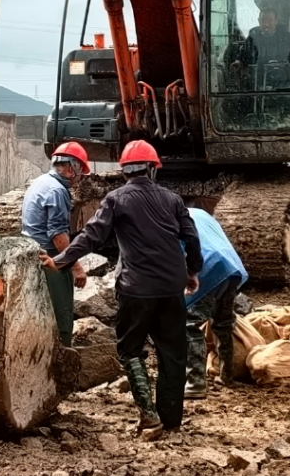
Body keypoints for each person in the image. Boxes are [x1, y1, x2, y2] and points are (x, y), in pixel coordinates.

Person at [39, 140, 202, 435]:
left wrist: (60, 261)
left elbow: (91, 236)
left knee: (129, 351)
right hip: (170, 287)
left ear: (125, 171)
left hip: (135, 289)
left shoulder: (116, 199)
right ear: (153, 169)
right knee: (173, 354)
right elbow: (191, 239)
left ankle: (149, 415)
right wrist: (191, 271)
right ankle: (171, 421)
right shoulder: (173, 199)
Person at [21, 141, 90, 347]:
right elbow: (58, 235)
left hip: (30, 253)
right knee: (61, 316)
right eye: (79, 173)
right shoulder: (58, 191)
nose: (78, 179)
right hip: (50, 258)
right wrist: (76, 267)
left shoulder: (40, 182)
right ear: (72, 168)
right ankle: (62, 357)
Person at [183, 207, 248, 399]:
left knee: (190, 324)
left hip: (208, 265)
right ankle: (227, 375)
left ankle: (195, 382)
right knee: (223, 322)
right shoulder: (199, 213)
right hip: (231, 265)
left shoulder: (169, 218)